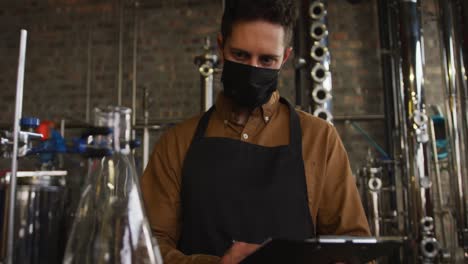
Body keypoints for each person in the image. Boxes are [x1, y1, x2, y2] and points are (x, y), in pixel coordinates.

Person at [141, 0, 371, 263]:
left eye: (266, 59)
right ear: (221, 47)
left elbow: (355, 250)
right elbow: (147, 244)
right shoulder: (176, 143)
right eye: (240, 55)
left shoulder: (320, 140)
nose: (252, 69)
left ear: (284, 57)